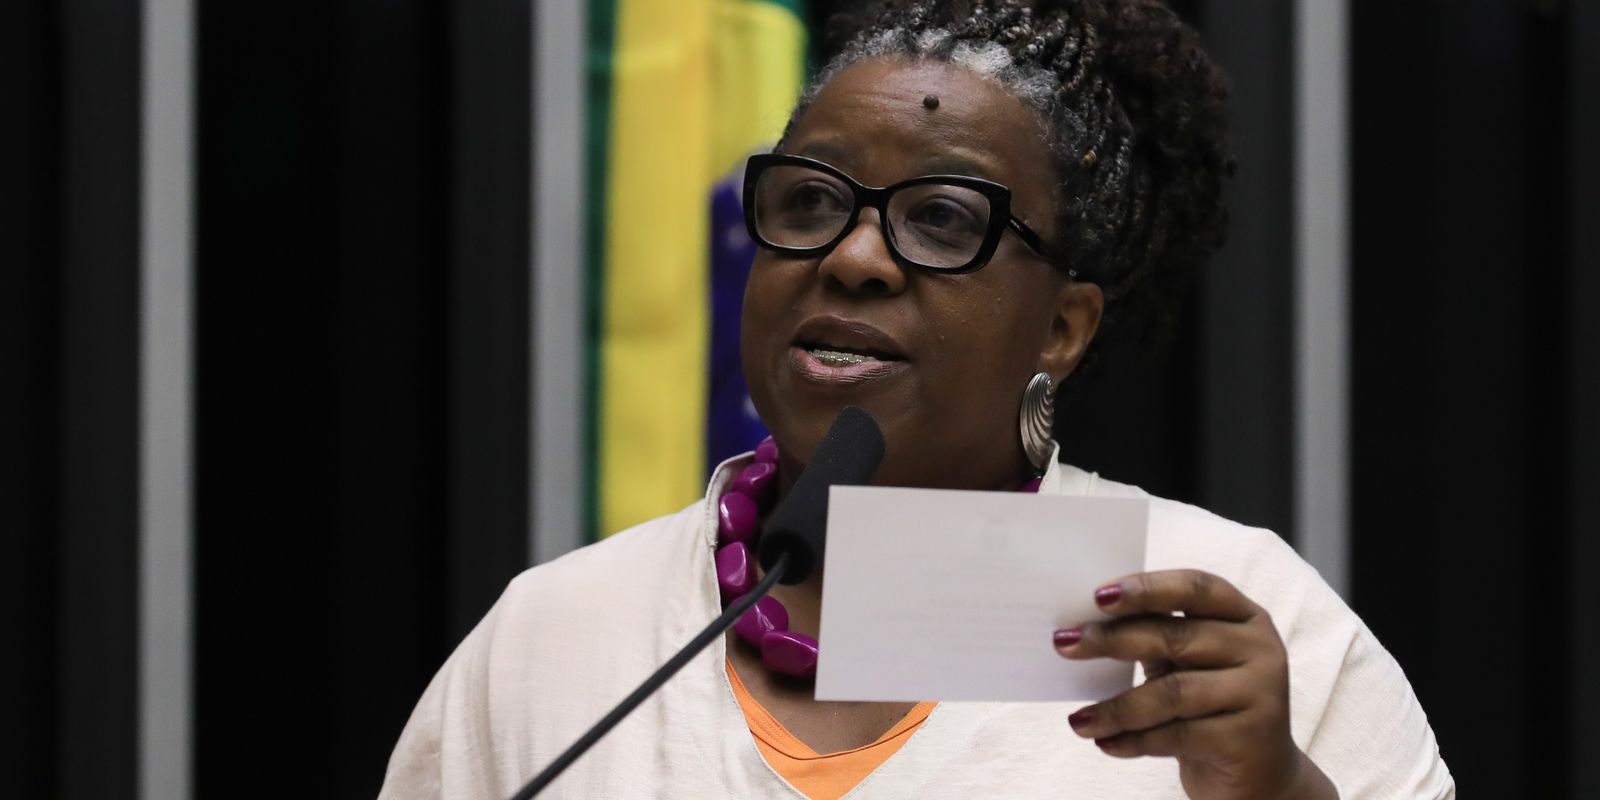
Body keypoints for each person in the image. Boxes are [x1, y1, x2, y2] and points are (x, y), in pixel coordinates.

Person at [379, 1, 1454, 797]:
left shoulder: (1236, 625)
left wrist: (1278, 790)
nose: (851, 257)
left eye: (942, 218)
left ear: (1062, 326)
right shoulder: (556, 637)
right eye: (810, 199)